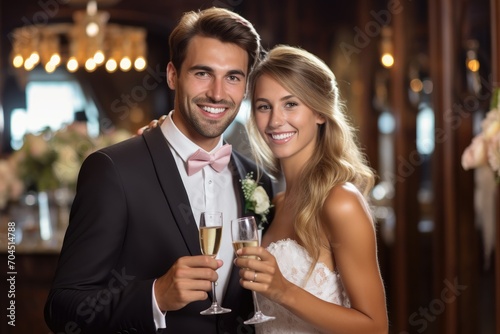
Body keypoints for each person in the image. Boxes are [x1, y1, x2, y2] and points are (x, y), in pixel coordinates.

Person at [44, 7, 275, 334]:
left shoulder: (257, 178)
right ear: (172, 75)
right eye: (202, 73)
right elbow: (62, 309)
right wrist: (155, 296)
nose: (218, 93)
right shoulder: (112, 170)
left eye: (233, 77)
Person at [232, 45, 389, 333]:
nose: (276, 120)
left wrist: (283, 290)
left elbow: (375, 327)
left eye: (291, 104)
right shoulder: (276, 203)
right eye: (264, 106)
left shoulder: (340, 202)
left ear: (319, 112)